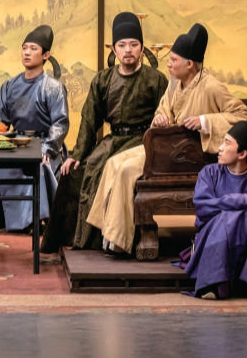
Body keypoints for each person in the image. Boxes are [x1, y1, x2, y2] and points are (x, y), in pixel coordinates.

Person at [87, 23, 247, 255]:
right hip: (166, 148)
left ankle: (120, 240)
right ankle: (109, 234)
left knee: (126, 170)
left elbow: (241, 115)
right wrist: (160, 118)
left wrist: (205, 121)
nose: (168, 64)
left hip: (186, 156)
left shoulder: (211, 87)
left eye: (173, 60)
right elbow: (163, 110)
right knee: (113, 163)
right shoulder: (174, 83)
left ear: (189, 64)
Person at [40, 12, 168, 253]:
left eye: (134, 44)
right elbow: (90, 119)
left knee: (113, 172)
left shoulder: (156, 80)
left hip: (142, 143)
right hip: (113, 140)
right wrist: (77, 155)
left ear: (142, 48)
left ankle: (113, 238)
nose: (128, 50)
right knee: (75, 173)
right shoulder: (103, 80)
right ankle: (78, 238)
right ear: (114, 49)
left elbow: (166, 114)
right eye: (122, 45)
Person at [0, 25, 69, 231]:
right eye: (24, 48)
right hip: (17, 144)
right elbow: (0, 122)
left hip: (45, 145)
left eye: (33, 48)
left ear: (46, 55)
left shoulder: (53, 88)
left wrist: (47, 148)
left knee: (38, 167)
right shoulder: (9, 85)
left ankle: (35, 220)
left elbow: (60, 123)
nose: (27, 53)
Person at [184, 121, 247, 299]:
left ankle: (223, 283)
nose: (220, 148)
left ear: (242, 153)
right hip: (212, 234)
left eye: (227, 143)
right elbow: (203, 207)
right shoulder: (209, 173)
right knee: (228, 218)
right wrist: (240, 200)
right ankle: (215, 282)